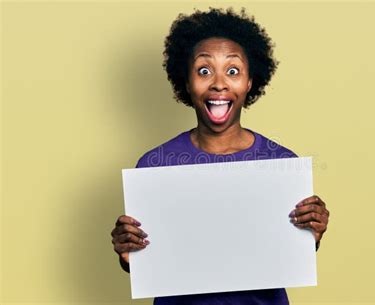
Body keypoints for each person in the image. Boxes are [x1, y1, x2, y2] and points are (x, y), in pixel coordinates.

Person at [111, 7, 330, 305]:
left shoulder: (281, 165)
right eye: (204, 71)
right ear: (186, 83)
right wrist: (127, 253)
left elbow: (288, 253)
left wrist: (312, 233)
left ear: (250, 82)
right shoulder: (154, 166)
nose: (218, 83)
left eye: (232, 71)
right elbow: (144, 263)